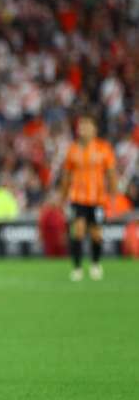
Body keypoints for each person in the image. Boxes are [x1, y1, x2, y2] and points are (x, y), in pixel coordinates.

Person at [59, 114, 118, 281]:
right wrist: (63, 197)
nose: (83, 129)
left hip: (98, 199)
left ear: (94, 129)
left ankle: (95, 264)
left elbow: (111, 174)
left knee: (96, 234)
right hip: (77, 198)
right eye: (81, 126)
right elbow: (66, 176)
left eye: (86, 126)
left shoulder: (103, 148)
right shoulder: (73, 150)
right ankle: (77, 268)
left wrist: (113, 198)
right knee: (77, 231)